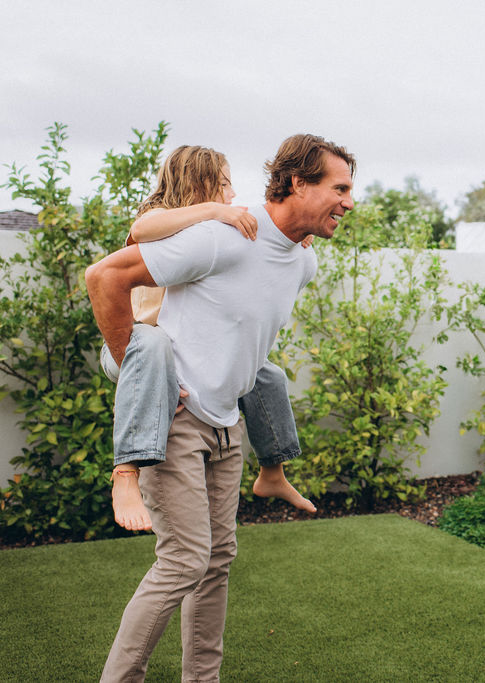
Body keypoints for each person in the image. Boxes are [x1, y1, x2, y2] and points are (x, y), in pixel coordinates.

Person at [86, 134, 355, 682]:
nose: (350, 201)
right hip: (178, 421)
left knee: (215, 563)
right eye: (340, 187)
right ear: (298, 183)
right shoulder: (224, 237)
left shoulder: (303, 263)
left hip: (227, 426)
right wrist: (137, 366)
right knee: (184, 560)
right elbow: (105, 277)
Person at [101, 145, 316, 534]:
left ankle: (273, 468)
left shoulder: (202, 230)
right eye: (224, 184)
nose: (231, 195)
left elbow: (257, 220)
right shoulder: (160, 216)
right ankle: (126, 471)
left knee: (265, 374)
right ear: (199, 182)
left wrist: (287, 234)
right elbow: (141, 231)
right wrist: (215, 210)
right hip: (135, 347)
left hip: (171, 350)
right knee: (154, 344)